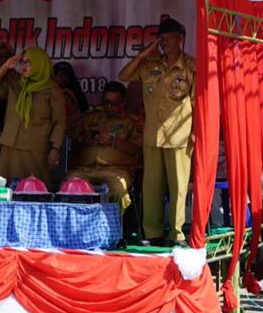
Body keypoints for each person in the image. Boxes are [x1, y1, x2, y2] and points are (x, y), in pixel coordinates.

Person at [118, 17, 196, 245]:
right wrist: (143, 54)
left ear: (180, 38)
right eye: (161, 38)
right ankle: (152, 232)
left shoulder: (191, 67)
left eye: (169, 38)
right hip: (153, 135)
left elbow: (198, 102)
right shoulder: (149, 65)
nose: (164, 42)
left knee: (178, 186)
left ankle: (176, 233)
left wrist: (196, 132)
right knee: (151, 187)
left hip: (179, 136)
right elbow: (123, 76)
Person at [0, 47, 66, 185]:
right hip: (10, 146)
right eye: (22, 62)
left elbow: (60, 121)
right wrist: (5, 66)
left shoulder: (52, 91)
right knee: (5, 189)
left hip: (34, 149)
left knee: (32, 188)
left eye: (29, 62)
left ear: (40, 64)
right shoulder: (16, 85)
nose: (24, 66)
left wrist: (55, 148)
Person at [65, 81, 142, 207]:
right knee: (68, 184)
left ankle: (112, 219)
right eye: (106, 102)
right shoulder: (91, 118)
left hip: (116, 171)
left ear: (123, 102)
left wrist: (113, 142)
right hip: (85, 170)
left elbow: (138, 148)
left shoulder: (131, 123)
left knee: (118, 189)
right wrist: (84, 140)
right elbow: (71, 142)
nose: (109, 106)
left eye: (113, 103)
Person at [53, 60, 90, 133]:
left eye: (67, 76)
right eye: (61, 75)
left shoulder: (74, 92)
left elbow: (83, 111)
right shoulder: (47, 92)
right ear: (53, 76)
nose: (64, 79)